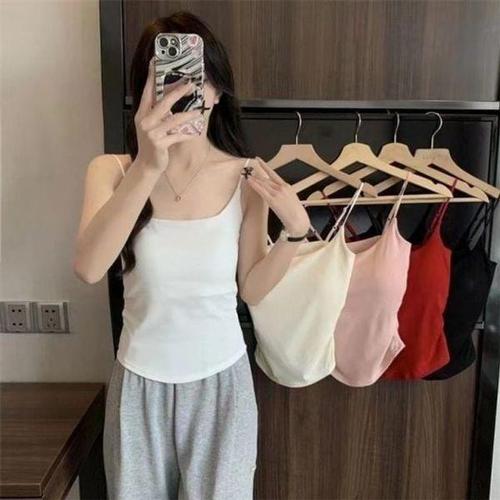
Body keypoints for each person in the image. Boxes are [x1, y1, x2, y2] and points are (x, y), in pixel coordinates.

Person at [72, 11, 311, 500]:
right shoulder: (112, 171)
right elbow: (89, 268)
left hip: (222, 384)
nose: (181, 92)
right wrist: (148, 165)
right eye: (166, 78)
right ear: (144, 92)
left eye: (195, 78)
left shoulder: (247, 176)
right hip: (139, 385)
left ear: (217, 91)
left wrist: (296, 233)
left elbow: (252, 288)